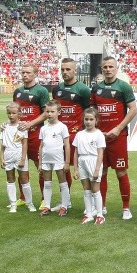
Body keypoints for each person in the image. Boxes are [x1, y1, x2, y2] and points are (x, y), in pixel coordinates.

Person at [91, 56, 137, 220]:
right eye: (105, 67)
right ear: (102, 69)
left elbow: (133, 109)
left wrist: (118, 128)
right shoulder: (96, 89)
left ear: (116, 69)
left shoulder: (123, 87)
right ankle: (101, 205)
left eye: (111, 66)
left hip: (118, 137)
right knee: (101, 172)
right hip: (100, 139)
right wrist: (95, 131)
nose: (108, 69)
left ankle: (126, 208)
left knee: (121, 172)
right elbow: (92, 112)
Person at [52, 58, 92, 209]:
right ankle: (65, 202)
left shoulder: (83, 89)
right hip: (60, 136)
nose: (65, 72)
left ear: (75, 70)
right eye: (63, 69)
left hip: (77, 136)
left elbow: (88, 112)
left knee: (84, 169)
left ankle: (92, 203)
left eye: (68, 69)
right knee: (62, 168)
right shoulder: (57, 89)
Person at [12, 63, 49, 205]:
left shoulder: (41, 91)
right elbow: (15, 112)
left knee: (40, 166)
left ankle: (44, 199)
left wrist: (30, 124)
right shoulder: (18, 92)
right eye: (23, 72)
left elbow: (46, 113)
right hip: (20, 134)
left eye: (28, 72)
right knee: (20, 165)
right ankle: (23, 197)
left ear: (35, 74)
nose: (25, 75)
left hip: (35, 134)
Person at [71, 107, 106, 225]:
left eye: (91, 119)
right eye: (86, 119)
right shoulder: (79, 134)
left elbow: (100, 153)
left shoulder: (99, 134)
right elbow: (75, 152)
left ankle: (100, 214)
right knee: (86, 189)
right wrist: (75, 169)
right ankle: (89, 214)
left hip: (93, 161)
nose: (88, 122)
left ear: (96, 120)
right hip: (82, 161)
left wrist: (97, 169)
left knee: (95, 189)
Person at [0, 102, 35, 212]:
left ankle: (30, 203)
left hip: (19, 155)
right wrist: (1, 158)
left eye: (14, 113)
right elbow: (2, 144)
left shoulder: (22, 127)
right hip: (8, 155)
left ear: (19, 114)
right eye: (9, 113)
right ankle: (13, 203)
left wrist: (23, 159)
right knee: (10, 179)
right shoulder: (4, 127)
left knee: (24, 179)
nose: (11, 115)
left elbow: (25, 143)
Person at [37, 101, 71, 216]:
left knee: (62, 182)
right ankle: (47, 206)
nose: (50, 114)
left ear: (59, 112)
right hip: (46, 160)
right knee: (47, 183)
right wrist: (40, 163)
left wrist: (67, 162)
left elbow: (67, 145)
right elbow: (41, 146)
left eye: (52, 111)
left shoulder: (62, 127)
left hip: (58, 160)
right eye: (47, 111)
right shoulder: (44, 129)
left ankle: (64, 206)